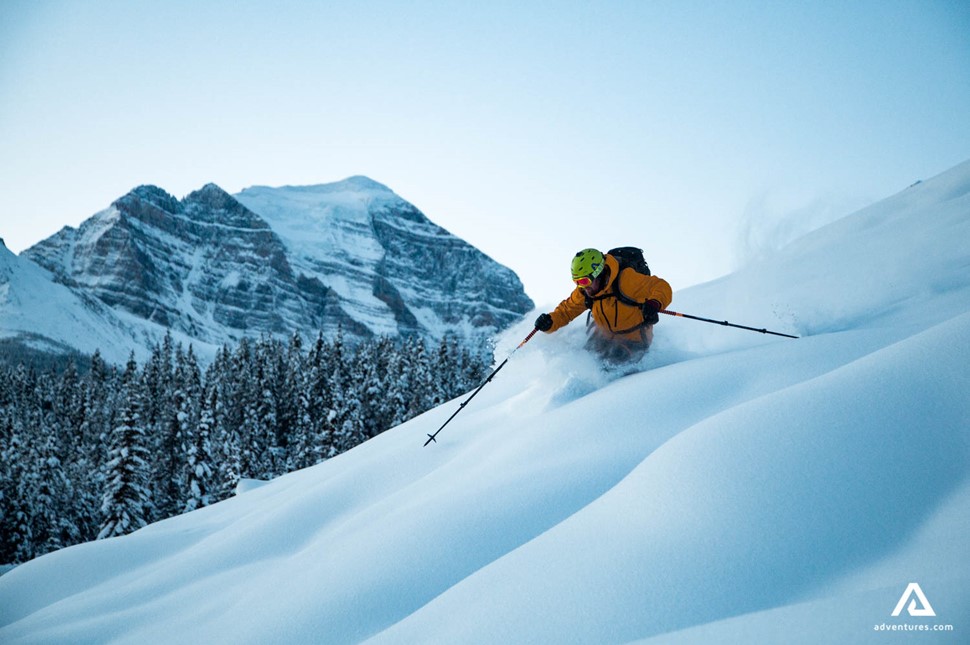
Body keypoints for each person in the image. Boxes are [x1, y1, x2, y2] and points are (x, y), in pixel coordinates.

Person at [534, 248, 673, 364]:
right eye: (577, 282)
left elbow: (661, 287)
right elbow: (566, 311)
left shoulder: (626, 280)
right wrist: (550, 322)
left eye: (584, 280)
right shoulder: (586, 291)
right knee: (582, 361)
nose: (583, 287)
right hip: (603, 339)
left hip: (633, 342)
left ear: (598, 272)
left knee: (613, 363)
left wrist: (654, 303)